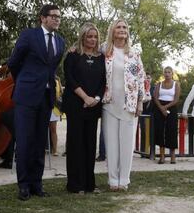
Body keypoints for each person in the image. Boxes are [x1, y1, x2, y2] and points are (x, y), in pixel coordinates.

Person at [8, 4, 65, 201]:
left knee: (41, 142)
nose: (57, 19)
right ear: (42, 18)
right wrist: (24, 80)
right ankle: (23, 185)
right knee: (24, 141)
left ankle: (36, 184)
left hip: (46, 97)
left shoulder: (60, 40)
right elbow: (14, 62)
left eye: (59, 16)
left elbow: (52, 68)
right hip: (26, 96)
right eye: (53, 16)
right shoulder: (29, 35)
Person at [102, 19, 145, 191]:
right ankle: (113, 180)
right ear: (112, 31)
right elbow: (86, 48)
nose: (122, 30)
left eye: (125, 27)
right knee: (111, 144)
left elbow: (141, 80)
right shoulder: (104, 50)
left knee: (127, 145)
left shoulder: (134, 54)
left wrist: (140, 102)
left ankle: (124, 180)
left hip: (130, 105)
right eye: (118, 27)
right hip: (109, 103)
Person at [62, 23, 105, 194]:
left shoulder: (101, 57)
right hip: (76, 105)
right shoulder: (73, 56)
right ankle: (75, 185)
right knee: (75, 144)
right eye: (89, 36)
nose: (92, 40)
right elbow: (70, 79)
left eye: (95, 37)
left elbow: (104, 81)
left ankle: (90, 184)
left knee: (89, 144)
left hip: (93, 106)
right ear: (82, 37)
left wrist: (95, 99)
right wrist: (85, 97)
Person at [153, 66, 181, 164]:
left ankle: (172, 156)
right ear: (163, 73)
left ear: (172, 73)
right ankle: (162, 156)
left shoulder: (176, 84)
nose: (167, 74)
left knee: (172, 130)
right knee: (160, 130)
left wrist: (166, 107)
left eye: (169, 72)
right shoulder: (159, 84)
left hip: (172, 107)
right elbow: (155, 97)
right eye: (165, 72)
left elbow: (176, 99)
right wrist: (161, 108)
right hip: (159, 107)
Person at [49, 75, 63, 156]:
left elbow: (60, 93)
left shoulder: (57, 79)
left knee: (53, 129)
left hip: (54, 108)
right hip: (45, 106)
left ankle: (55, 150)